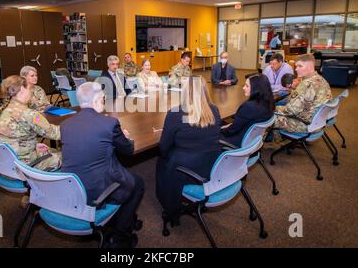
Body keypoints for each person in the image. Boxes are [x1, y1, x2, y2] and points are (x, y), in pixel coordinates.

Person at [60, 82, 144, 248]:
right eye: (104, 99)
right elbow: (128, 150)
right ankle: (120, 236)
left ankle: (120, 221)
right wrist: (126, 137)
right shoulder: (109, 124)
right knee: (138, 183)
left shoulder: (65, 125)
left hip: (71, 186)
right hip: (96, 190)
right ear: (98, 100)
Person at [156, 75, 223, 224]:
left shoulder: (175, 113)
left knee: (162, 161)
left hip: (185, 169)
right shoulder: (214, 110)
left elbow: (164, 147)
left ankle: (170, 208)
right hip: (211, 166)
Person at [0, 75, 61, 171]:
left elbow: (8, 138)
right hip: (26, 167)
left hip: (5, 165)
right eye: (29, 89)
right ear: (22, 89)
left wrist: (32, 145)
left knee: (51, 150)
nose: (31, 92)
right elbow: (55, 133)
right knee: (69, 156)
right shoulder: (29, 114)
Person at [274, 54, 332, 133]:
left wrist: (273, 108)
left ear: (309, 66)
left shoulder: (305, 84)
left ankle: (272, 142)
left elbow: (291, 111)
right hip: (318, 122)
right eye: (296, 66)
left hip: (304, 123)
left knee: (265, 118)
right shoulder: (321, 79)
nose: (296, 69)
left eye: (300, 66)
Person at [220, 74, 275, 147]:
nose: (243, 88)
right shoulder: (268, 102)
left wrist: (220, 130)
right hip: (253, 140)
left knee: (209, 132)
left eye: (247, 86)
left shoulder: (249, 107)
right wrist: (230, 125)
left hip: (238, 141)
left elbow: (232, 131)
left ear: (256, 88)